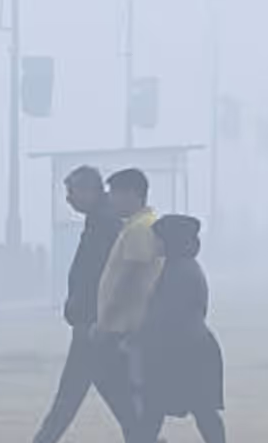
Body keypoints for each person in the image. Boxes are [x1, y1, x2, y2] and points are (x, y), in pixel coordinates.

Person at [32, 166, 138, 443]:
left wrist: (91, 315)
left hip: (93, 326)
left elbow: (104, 278)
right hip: (96, 324)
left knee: (68, 398)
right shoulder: (100, 220)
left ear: (91, 190)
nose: (68, 199)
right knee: (118, 396)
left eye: (72, 192)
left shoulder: (104, 224)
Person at [133, 215, 226, 443]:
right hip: (190, 349)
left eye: (158, 239)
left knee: (157, 411)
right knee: (198, 412)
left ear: (171, 241)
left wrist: (137, 336)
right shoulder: (182, 268)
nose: (154, 244)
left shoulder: (179, 272)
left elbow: (164, 315)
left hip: (184, 352)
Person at [94, 168, 164, 438]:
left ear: (132, 194)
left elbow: (129, 278)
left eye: (114, 194)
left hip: (124, 325)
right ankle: (140, 434)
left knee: (116, 383)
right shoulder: (140, 225)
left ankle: (142, 435)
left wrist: (105, 321)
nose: (110, 200)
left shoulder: (139, 229)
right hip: (126, 323)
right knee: (126, 388)